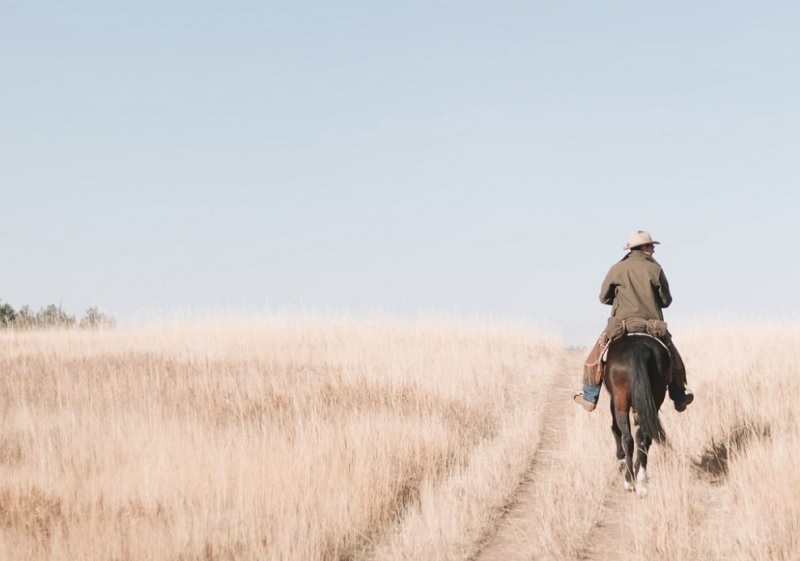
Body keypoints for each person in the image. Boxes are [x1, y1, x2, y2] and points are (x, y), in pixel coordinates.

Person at [573, 230, 694, 412]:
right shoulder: (656, 269)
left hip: (622, 324)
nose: (653, 250)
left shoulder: (616, 268)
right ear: (643, 248)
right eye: (651, 246)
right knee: (674, 357)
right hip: (651, 326)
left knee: (595, 355)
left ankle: (590, 396)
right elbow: (666, 301)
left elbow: (603, 297)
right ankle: (678, 396)